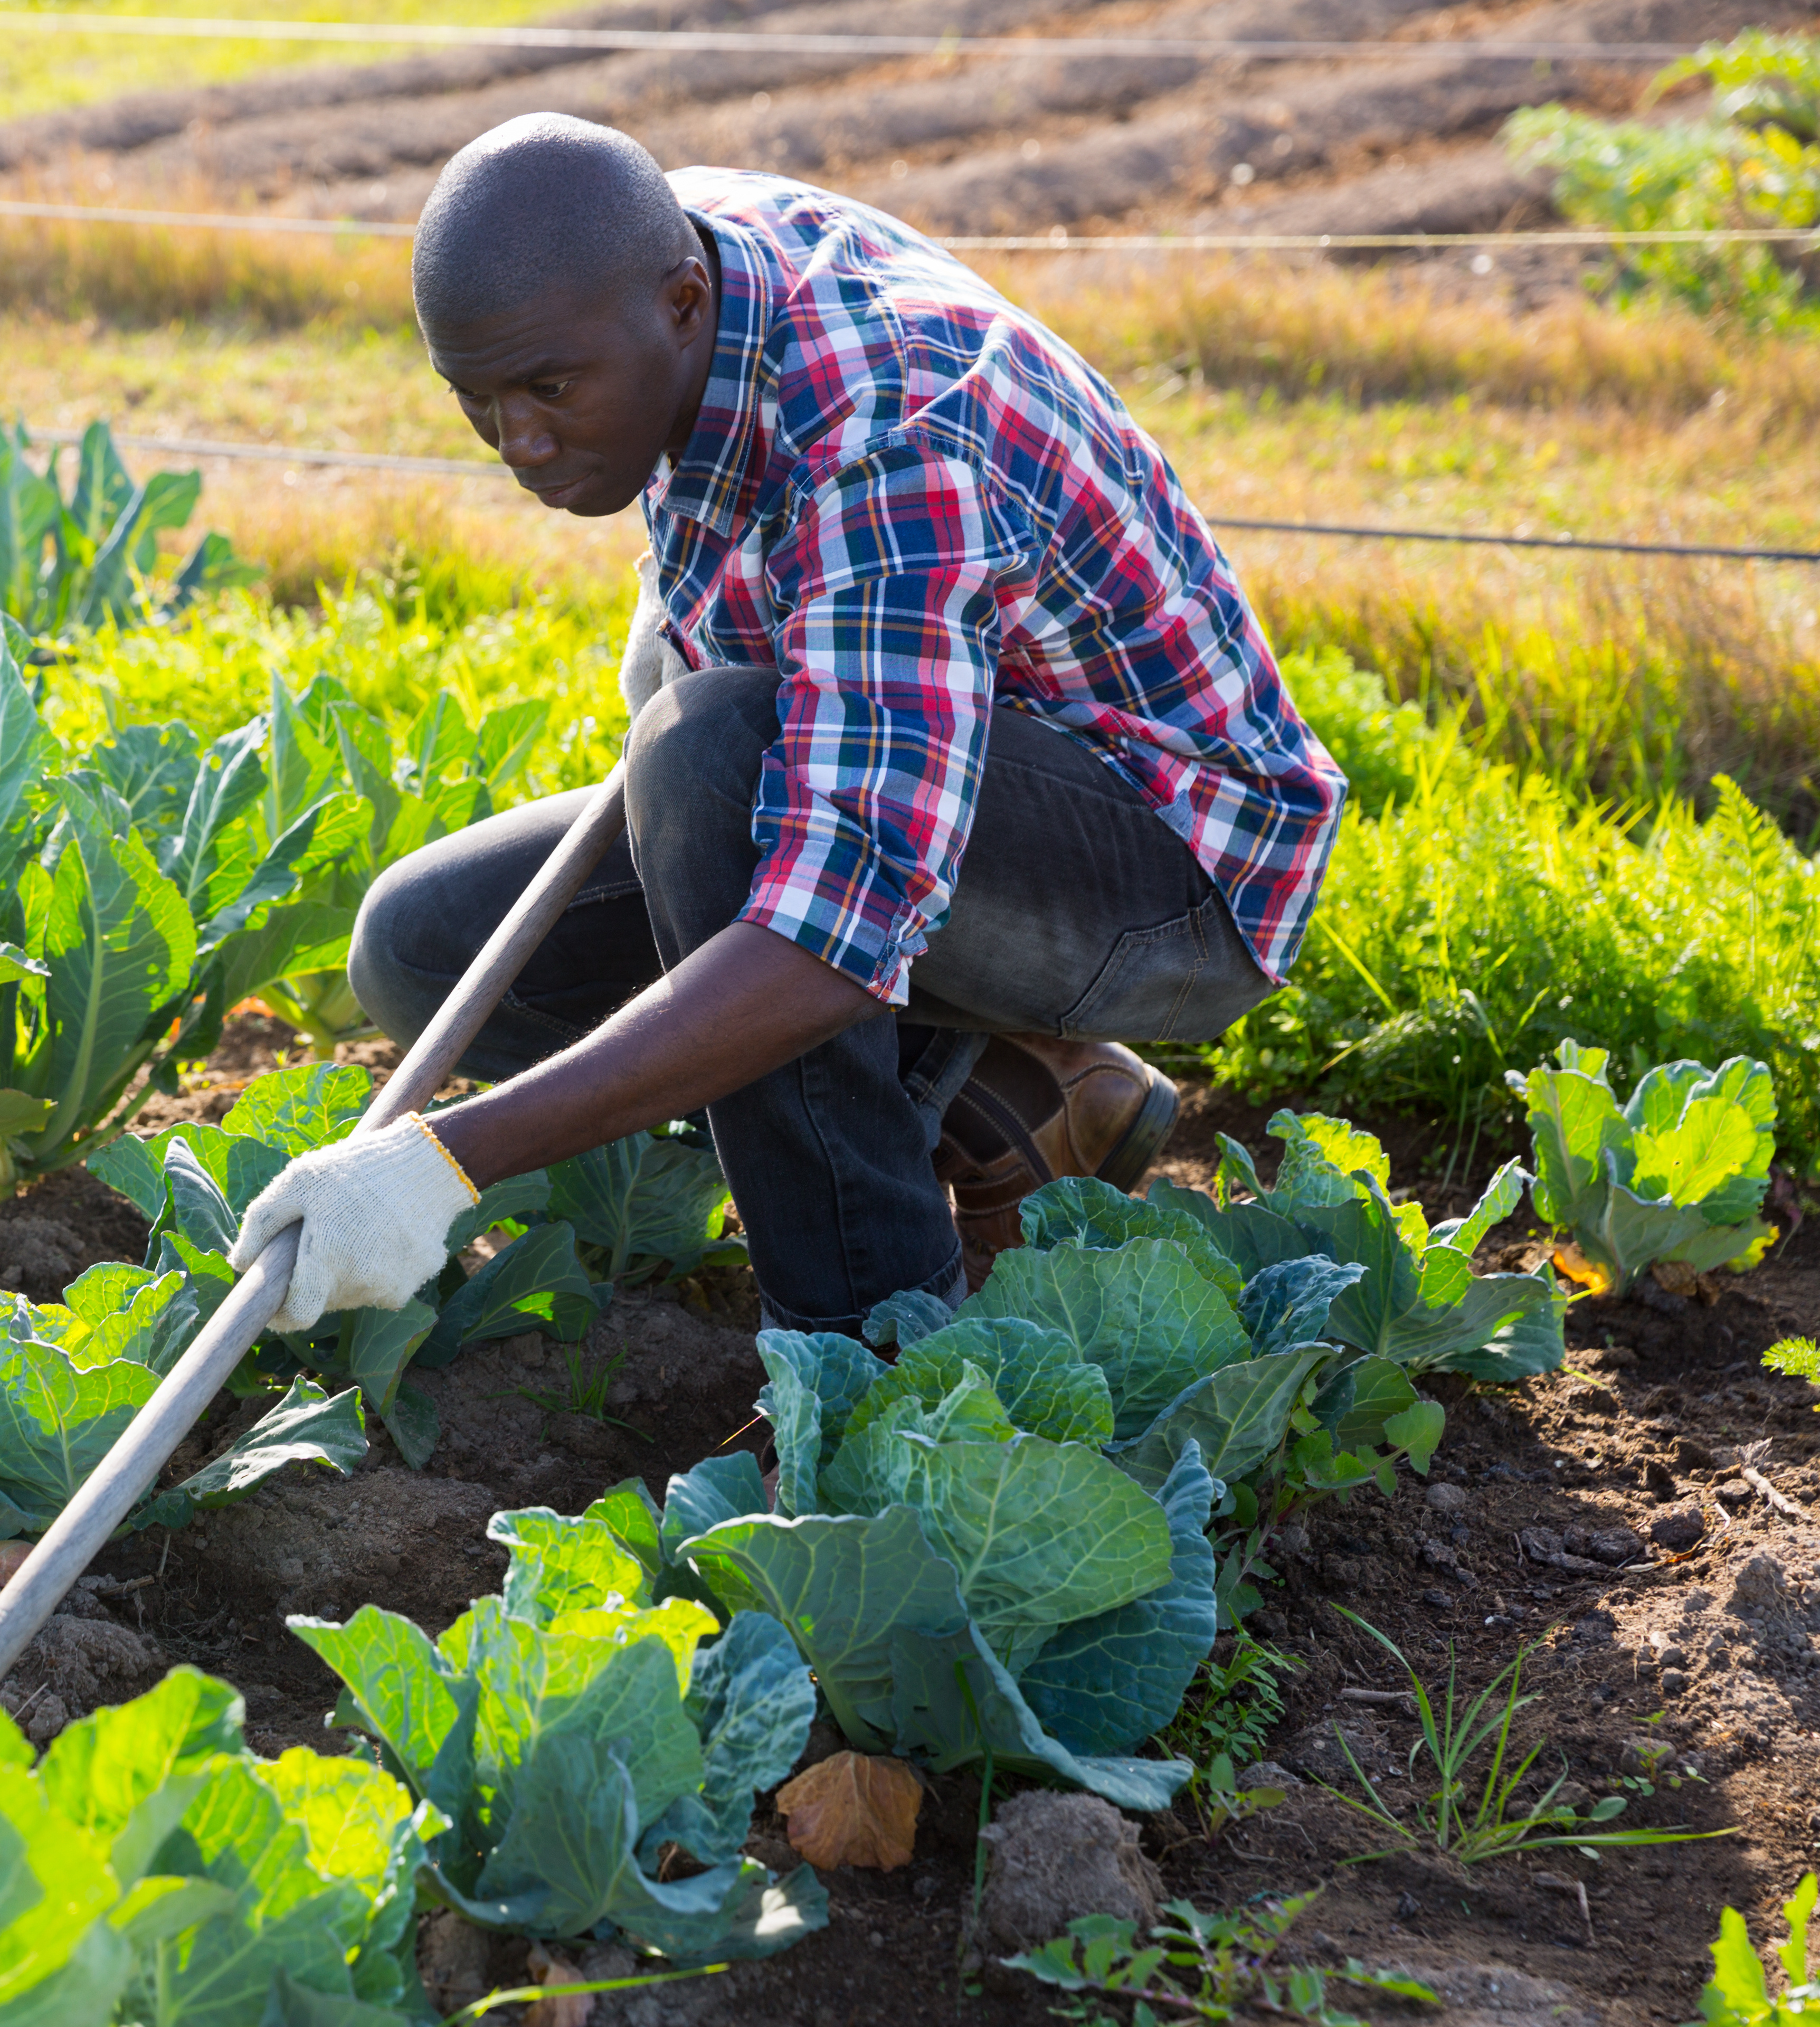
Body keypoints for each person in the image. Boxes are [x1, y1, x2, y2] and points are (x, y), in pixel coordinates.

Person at [228, 112, 1345, 1339]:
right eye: (476, 400)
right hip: (948, 773)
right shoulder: (666, 251)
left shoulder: (895, 430)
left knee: (712, 766)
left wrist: (439, 1163)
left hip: (1169, 867)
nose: (520, 443)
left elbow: (831, 923)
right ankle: (1013, 1096)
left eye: (548, 389)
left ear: (682, 301)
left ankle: (871, 1348)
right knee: (421, 950)